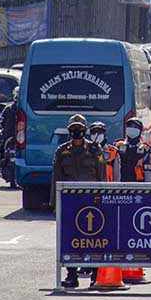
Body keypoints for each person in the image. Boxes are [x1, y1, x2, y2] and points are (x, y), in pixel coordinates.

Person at [54, 114, 104, 289]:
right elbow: (56, 179)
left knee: (94, 239)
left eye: (81, 129)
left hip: (91, 201)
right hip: (70, 201)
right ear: (69, 130)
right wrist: (55, 204)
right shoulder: (62, 151)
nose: (77, 132)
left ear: (86, 130)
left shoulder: (94, 150)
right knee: (70, 239)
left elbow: (101, 176)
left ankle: (96, 275)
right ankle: (71, 275)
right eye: (74, 128)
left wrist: (103, 200)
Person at [115, 118, 151, 182]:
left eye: (135, 127)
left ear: (140, 130)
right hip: (121, 185)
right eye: (130, 126)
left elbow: (148, 173)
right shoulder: (118, 146)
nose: (132, 129)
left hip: (138, 187)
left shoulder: (145, 149)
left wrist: (148, 188)